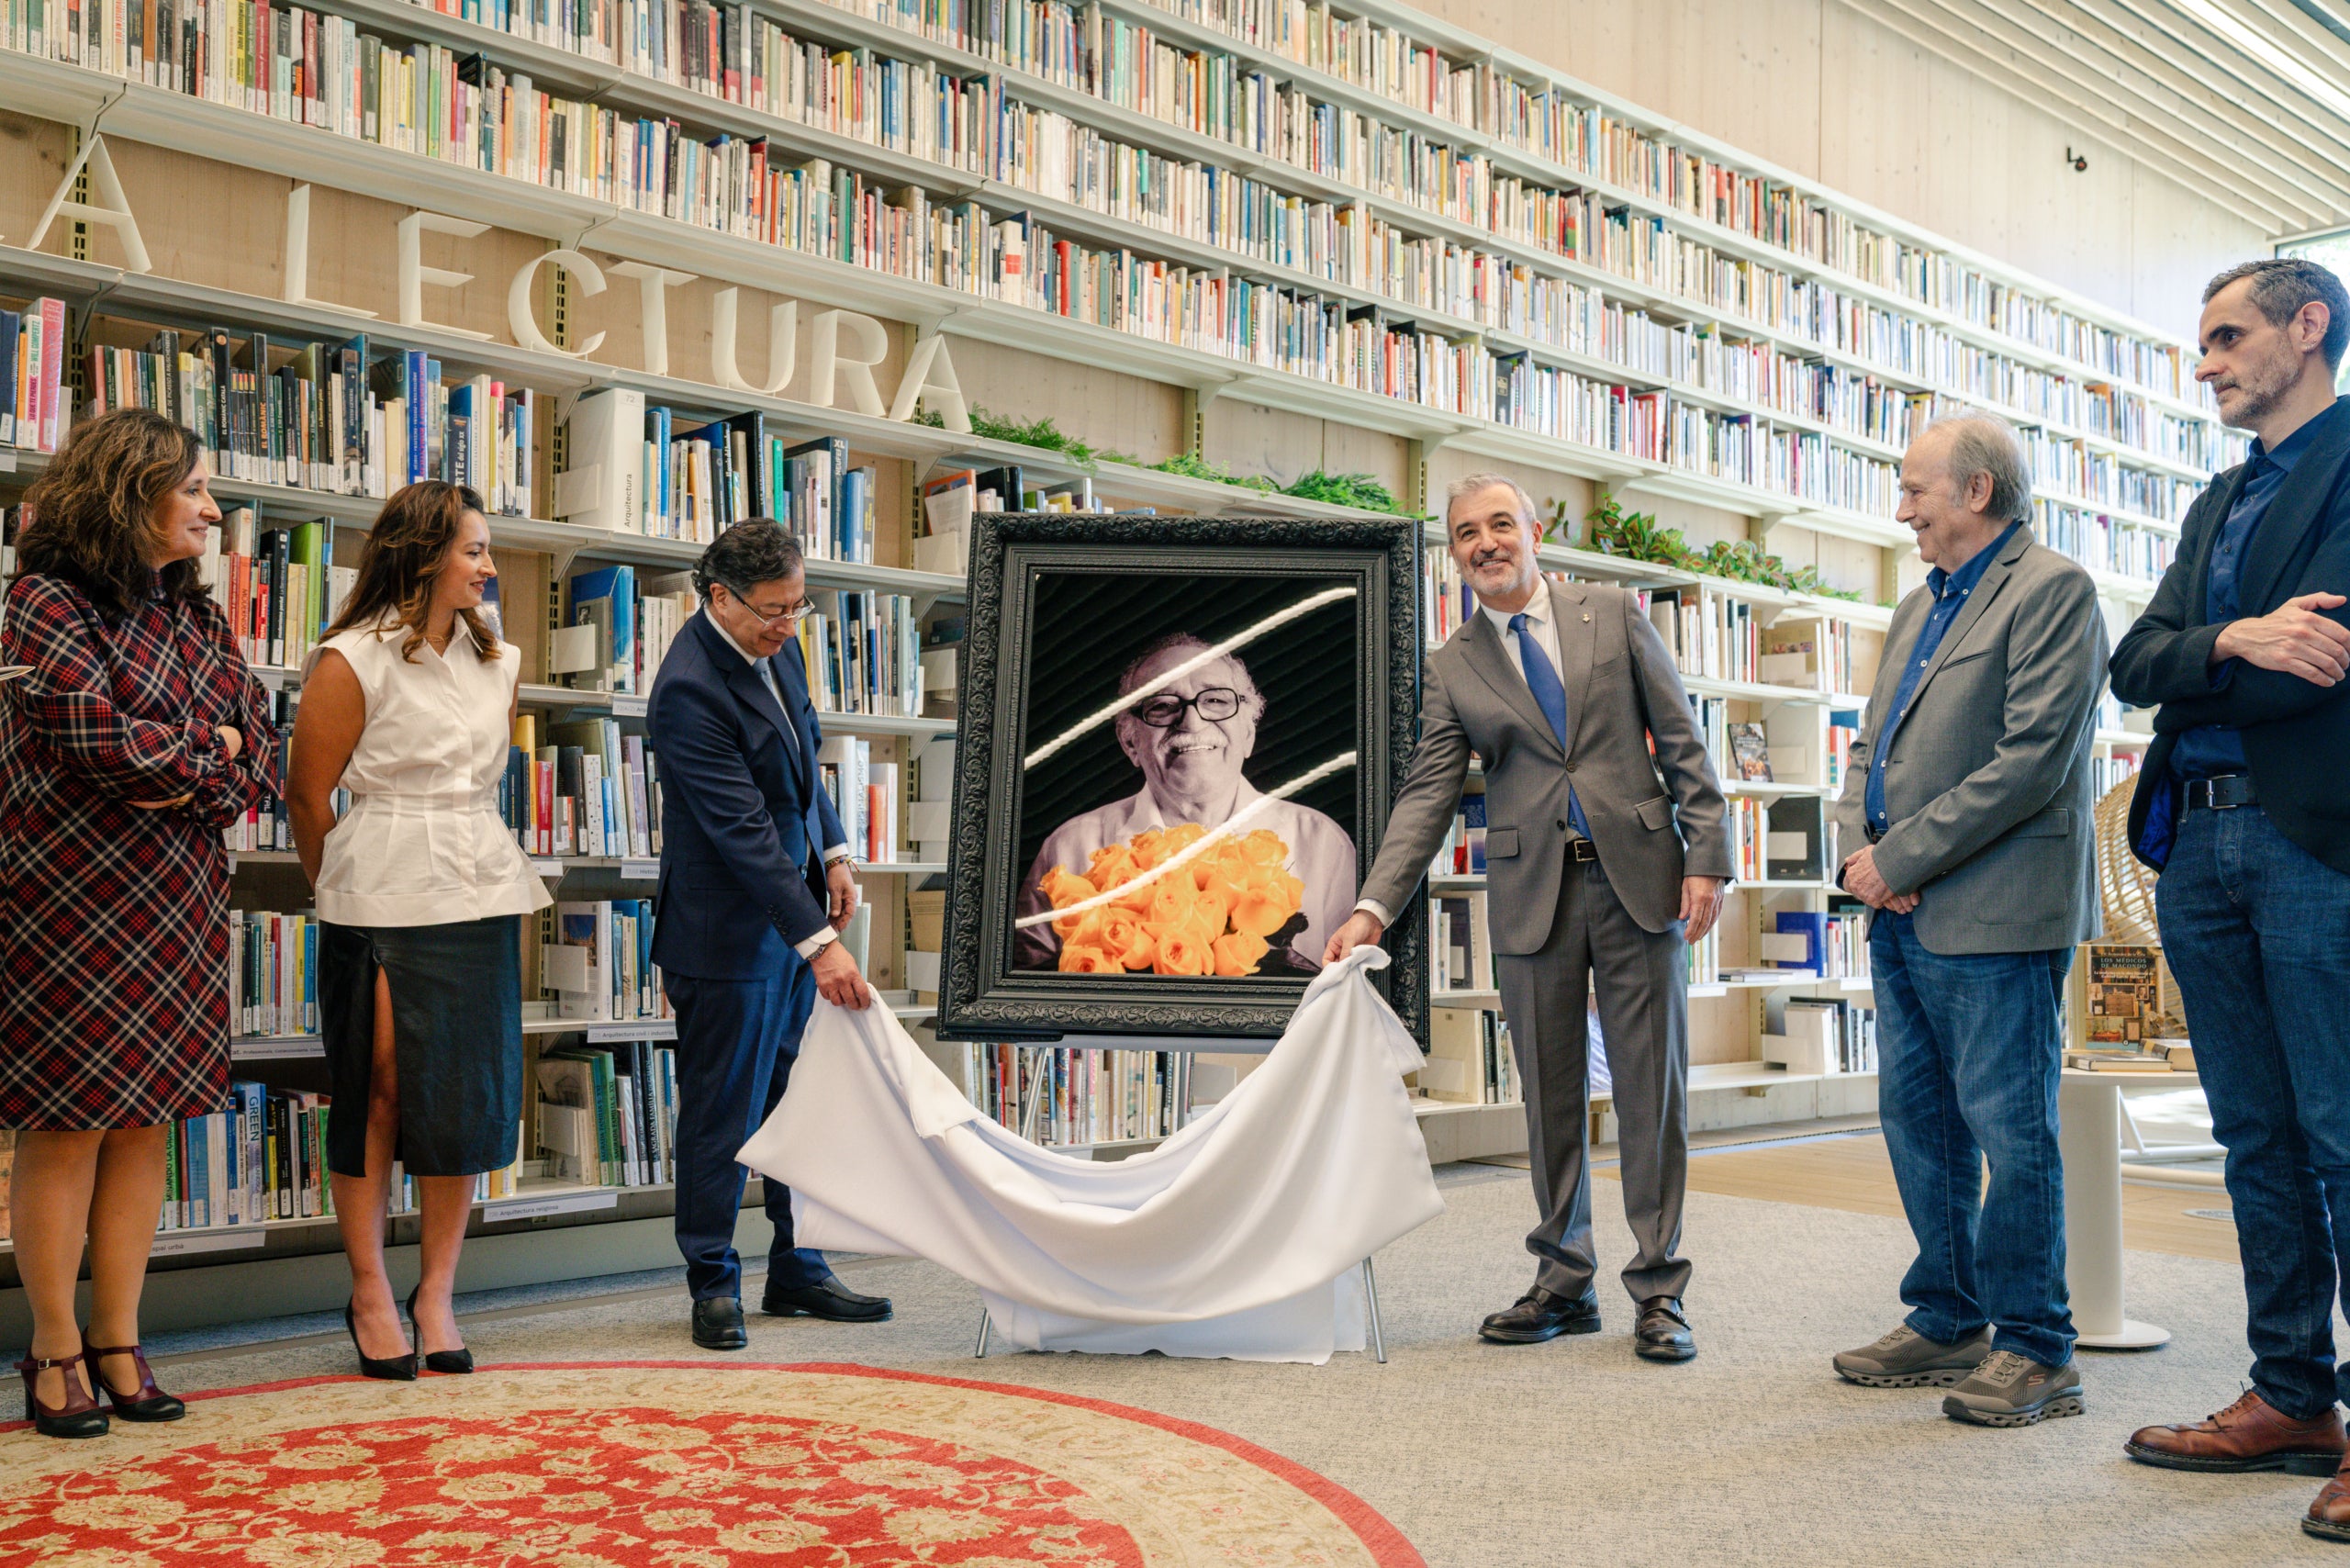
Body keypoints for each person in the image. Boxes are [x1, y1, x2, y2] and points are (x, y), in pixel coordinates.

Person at [1326, 473, 1729, 1360]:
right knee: (1548, 1093)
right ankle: (1563, 1277)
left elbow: (1685, 741)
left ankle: (1659, 1288)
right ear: (1455, 555)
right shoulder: (1454, 662)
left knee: (1647, 1091)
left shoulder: (1614, 613)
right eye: (1466, 533)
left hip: (1640, 883)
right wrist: (1372, 907)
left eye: (1499, 524)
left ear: (1534, 531)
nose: (1485, 543)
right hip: (1532, 894)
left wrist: (1708, 857)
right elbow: (1429, 792)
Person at [2108, 259, 2350, 1543]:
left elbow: (2329, 666)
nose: (2203, 363)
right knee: (2254, 1139)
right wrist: (2237, 643)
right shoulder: (2215, 500)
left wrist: (2212, 668)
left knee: (2344, 1137)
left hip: (2317, 841)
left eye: (2225, 336)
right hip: (2197, 850)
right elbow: (2130, 660)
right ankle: (2294, 1395)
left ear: (2308, 330)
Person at [1824, 415, 2106, 1428]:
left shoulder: (2055, 591)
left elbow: (2030, 761)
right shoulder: (1915, 606)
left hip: (1993, 911)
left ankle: (2037, 1345)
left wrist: (1896, 858)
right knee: (1919, 1123)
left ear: (1976, 491)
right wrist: (1864, 855)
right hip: (1900, 909)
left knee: (2009, 1129)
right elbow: (1871, 747)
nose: (1901, 509)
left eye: (1913, 489)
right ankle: (1947, 1317)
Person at [1, 409, 276, 1437]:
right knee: (66, 1126)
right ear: (131, 488)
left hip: (176, 905)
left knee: (144, 1123)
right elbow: (89, 737)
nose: (210, 508)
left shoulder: (195, 615)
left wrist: (196, 751)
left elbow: (259, 751)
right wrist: (199, 747)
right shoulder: (44, 599)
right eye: (194, 488)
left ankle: (120, 1340)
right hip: (68, 903)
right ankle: (54, 1346)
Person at [287, 482, 553, 1381]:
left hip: (477, 887)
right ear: (424, 553)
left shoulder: (499, 658)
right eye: (475, 550)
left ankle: (437, 1292)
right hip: (379, 896)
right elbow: (306, 796)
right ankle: (369, 1289)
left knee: (463, 1100)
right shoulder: (349, 657)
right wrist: (345, 889)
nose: (487, 566)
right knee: (382, 1090)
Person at [648, 521, 889, 1351]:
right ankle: (713, 1281)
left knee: (800, 1098)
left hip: (793, 917)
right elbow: (741, 829)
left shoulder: (777, 645)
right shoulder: (687, 688)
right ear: (719, 596)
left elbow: (803, 761)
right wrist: (819, 945)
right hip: (725, 937)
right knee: (725, 1115)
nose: (790, 627)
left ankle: (799, 1266)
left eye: (799, 608)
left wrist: (835, 853)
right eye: (774, 612)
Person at [1014, 635, 1358, 972]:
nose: (1192, 722)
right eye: (1162, 705)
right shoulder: (1070, 849)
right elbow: (1025, 996)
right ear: (1130, 743)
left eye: (1216, 701)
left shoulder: (1321, 842)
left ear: (1248, 734)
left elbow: (1353, 992)